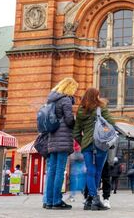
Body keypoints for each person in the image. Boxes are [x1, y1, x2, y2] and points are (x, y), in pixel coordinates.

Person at [73, 87, 116, 211]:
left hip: (87, 145)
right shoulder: (101, 108)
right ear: (96, 96)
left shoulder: (80, 111)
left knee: (90, 171)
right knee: (97, 172)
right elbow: (112, 123)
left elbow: (76, 133)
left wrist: (84, 143)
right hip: (101, 144)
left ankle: (89, 200)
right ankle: (95, 199)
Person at [44, 78, 77, 210]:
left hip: (52, 137)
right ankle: (57, 200)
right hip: (62, 138)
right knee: (59, 171)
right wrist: (75, 124)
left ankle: (49, 200)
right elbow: (69, 120)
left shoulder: (51, 99)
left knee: (51, 170)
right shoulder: (66, 100)